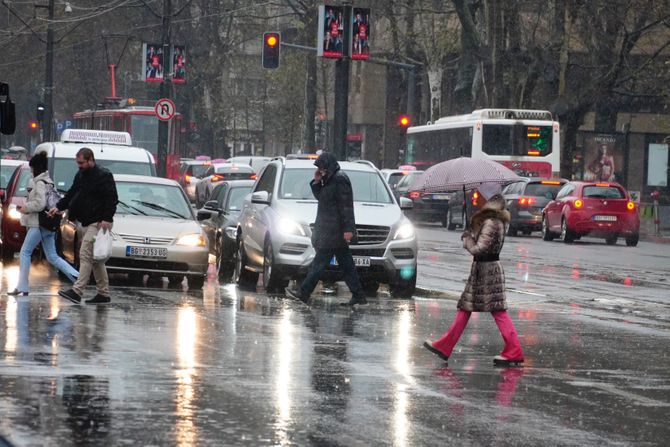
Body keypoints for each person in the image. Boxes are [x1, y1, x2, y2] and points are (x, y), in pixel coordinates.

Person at [423, 182, 524, 366]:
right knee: (466, 308)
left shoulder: (492, 221)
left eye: (481, 196)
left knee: (497, 311)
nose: (478, 199)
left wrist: (469, 240)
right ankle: (445, 345)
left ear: (488, 198)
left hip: (487, 271)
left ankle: (514, 350)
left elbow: (480, 249)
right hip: (483, 271)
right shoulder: (493, 219)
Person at [285, 152, 367, 307]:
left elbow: (346, 207)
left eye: (321, 168)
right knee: (347, 265)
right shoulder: (329, 180)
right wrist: (316, 182)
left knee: (319, 264)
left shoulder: (339, 179)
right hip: (330, 230)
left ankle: (303, 293)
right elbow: (323, 198)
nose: (320, 171)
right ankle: (359, 295)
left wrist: (348, 229)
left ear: (328, 166)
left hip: (334, 232)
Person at [49, 148, 118, 305]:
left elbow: (111, 198)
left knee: (85, 254)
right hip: (87, 221)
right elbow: (72, 193)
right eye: (77, 163)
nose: (79, 166)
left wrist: (106, 218)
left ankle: (77, 291)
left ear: (90, 160)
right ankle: (103, 294)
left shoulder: (103, 175)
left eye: (81, 163)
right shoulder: (81, 175)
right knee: (96, 261)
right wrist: (58, 206)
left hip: (98, 222)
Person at [8, 152, 79, 296]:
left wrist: (25, 208)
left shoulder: (40, 183)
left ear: (38, 168)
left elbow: (40, 204)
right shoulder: (48, 181)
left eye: (32, 169)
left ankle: (22, 287)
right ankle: (78, 277)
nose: (31, 171)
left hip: (38, 224)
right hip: (48, 223)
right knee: (52, 256)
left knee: (25, 252)